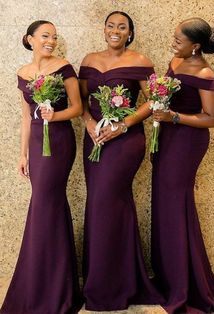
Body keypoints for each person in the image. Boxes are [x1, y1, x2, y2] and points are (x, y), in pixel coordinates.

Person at [79, 11, 164, 311]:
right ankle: (121, 279)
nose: (115, 31)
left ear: (130, 33)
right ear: (104, 29)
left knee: (106, 202)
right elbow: (81, 101)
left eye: (122, 27)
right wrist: (90, 123)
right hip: (95, 139)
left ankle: (109, 288)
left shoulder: (141, 61)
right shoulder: (88, 60)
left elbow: (156, 100)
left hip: (126, 141)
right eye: (111, 25)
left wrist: (123, 125)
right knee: (105, 204)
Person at [150, 17, 214, 314]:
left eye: (178, 40)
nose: (173, 43)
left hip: (186, 142)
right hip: (167, 137)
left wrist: (173, 117)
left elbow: (213, 118)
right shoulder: (177, 59)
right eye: (174, 37)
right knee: (165, 205)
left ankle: (185, 285)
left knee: (176, 206)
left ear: (196, 46)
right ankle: (169, 277)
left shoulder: (203, 71)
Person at [0, 20, 83, 314]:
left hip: (58, 141)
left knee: (45, 204)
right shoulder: (22, 73)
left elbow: (78, 107)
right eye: (45, 36)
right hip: (36, 143)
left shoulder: (64, 67)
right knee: (47, 206)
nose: (51, 41)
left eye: (54, 37)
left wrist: (55, 114)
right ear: (29, 39)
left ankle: (50, 289)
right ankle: (49, 283)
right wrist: (22, 154)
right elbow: (26, 117)